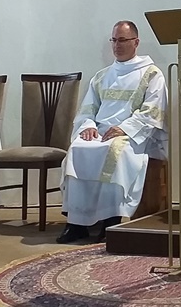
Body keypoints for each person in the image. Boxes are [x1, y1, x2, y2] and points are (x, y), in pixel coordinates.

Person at [57, 20, 168, 243]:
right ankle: (77, 223)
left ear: (136, 42)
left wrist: (124, 128)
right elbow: (87, 110)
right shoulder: (102, 76)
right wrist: (88, 127)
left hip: (132, 135)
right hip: (100, 132)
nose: (117, 45)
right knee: (78, 148)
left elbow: (152, 111)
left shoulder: (151, 74)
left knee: (114, 152)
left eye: (123, 40)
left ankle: (111, 220)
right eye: (114, 40)